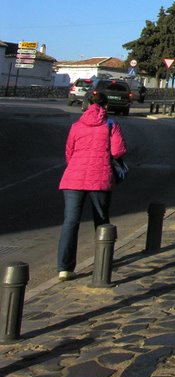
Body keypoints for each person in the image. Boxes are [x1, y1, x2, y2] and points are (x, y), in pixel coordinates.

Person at [57, 91, 127, 281]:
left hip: (73, 177)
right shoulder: (111, 124)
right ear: (106, 106)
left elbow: (68, 153)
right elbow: (118, 150)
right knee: (101, 220)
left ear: (87, 104)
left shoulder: (76, 125)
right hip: (100, 176)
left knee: (70, 221)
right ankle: (102, 260)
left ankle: (64, 268)